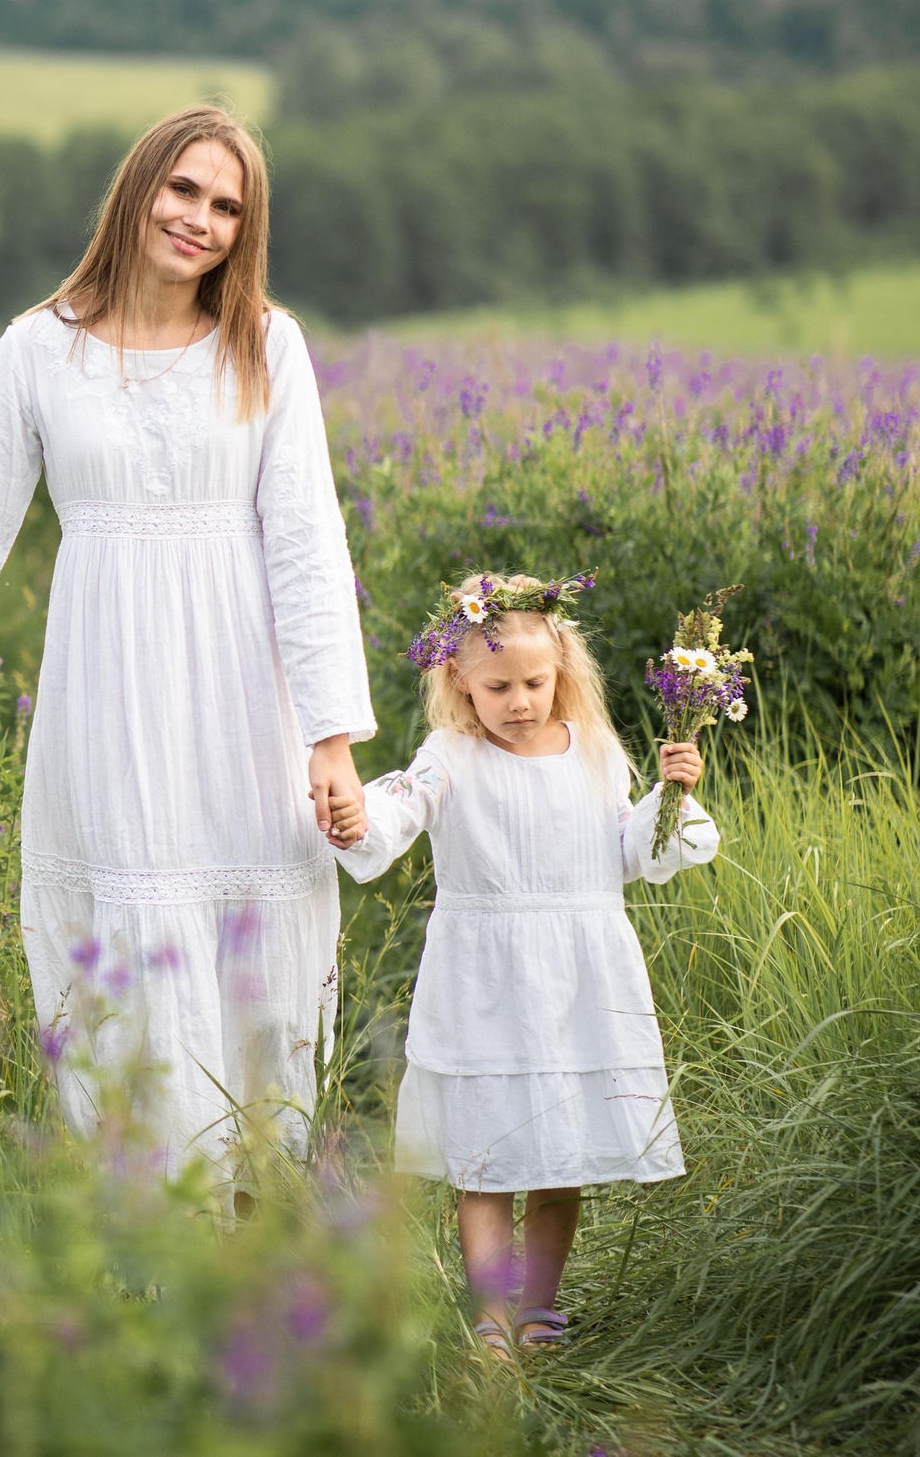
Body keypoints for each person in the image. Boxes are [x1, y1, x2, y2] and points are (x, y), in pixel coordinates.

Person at [0, 104, 375, 1179]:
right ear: (138, 188)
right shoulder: (38, 348)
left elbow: (306, 539)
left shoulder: (267, 345)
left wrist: (331, 736)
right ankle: (156, 1214)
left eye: (226, 207)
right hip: (107, 689)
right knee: (131, 935)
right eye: (183, 189)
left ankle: (259, 1213)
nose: (198, 219)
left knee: (251, 947)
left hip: (242, 695)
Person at [326, 573, 717, 1356]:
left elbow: (627, 851)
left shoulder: (595, 751)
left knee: (557, 1155)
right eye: (498, 686)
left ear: (560, 670)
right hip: (485, 981)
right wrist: (358, 814)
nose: (519, 701)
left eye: (534, 683)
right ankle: (491, 1318)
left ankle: (538, 1308)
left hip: (576, 979)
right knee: (487, 1154)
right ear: (459, 681)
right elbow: (403, 804)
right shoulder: (451, 756)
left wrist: (670, 795)